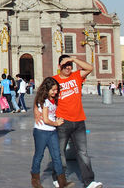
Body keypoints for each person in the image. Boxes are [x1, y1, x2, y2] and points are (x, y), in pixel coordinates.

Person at [35, 55, 103, 188]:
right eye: (65, 65)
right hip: (62, 122)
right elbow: (40, 95)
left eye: (69, 65)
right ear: (59, 66)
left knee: (83, 153)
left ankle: (89, 181)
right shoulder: (53, 80)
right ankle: (58, 178)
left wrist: (73, 59)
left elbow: (90, 68)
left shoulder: (77, 75)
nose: (68, 67)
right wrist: (36, 111)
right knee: (59, 153)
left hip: (79, 121)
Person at [30, 77, 74, 188]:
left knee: (57, 156)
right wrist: (56, 123)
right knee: (39, 155)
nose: (55, 92)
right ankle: (35, 181)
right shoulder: (45, 101)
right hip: (41, 131)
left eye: (56, 90)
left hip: (52, 132)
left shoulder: (53, 99)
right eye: (53, 90)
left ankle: (62, 182)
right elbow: (45, 119)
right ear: (46, 89)